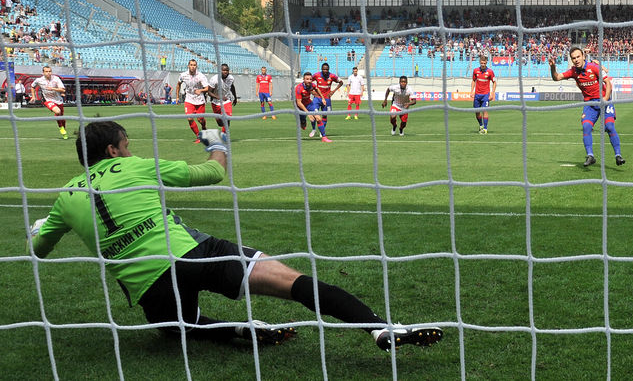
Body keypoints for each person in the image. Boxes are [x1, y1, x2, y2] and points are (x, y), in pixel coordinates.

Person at [27, 121, 442, 350]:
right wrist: (217, 142)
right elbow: (213, 172)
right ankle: (380, 327)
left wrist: (37, 233)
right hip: (194, 253)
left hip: (148, 284)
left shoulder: (65, 196)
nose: (131, 150)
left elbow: (41, 250)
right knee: (293, 282)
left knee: (174, 326)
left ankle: (239, 331)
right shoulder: (135, 167)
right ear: (115, 152)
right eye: (127, 144)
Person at [549, 48, 625, 167]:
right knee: (586, 126)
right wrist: (553, 67)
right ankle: (590, 156)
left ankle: (618, 156)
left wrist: (605, 99)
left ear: (583, 56)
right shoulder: (573, 71)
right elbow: (557, 77)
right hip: (590, 104)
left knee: (609, 127)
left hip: (604, 101)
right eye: (573, 58)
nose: (576, 60)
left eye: (578, 57)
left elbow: (608, 83)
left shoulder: (594, 67)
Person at [176, 59, 209, 143]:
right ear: (188, 66)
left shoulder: (201, 76)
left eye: (194, 65)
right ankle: (199, 136)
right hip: (189, 99)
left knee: (200, 120)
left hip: (199, 100)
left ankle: (204, 127)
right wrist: (177, 97)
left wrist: (201, 90)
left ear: (196, 66)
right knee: (189, 118)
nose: (192, 66)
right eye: (191, 65)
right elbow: (178, 84)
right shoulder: (183, 75)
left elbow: (207, 88)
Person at [31, 65, 68, 139]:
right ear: (43, 73)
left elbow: (63, 90)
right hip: (48, 100)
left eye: (50, 71)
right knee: (57, 111)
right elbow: (32, 86)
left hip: (58, 100)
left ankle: (63, 128)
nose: (48, 73)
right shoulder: (39, 80)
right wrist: (33, 96)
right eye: (46, 71)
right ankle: (60, 127)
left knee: (62, 117)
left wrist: (53, 88)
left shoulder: (56, 79)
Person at [295, 72, 332, 143]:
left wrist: (323, 98)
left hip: (309, 104)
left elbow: (317, 89)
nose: (309, 81)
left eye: (310, 79)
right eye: (307, 79)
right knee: (303, 125)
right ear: (303, 79)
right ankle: (303, 121)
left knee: (318, 118)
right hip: (300, 106)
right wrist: (308, 114)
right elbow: (299, 103)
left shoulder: (312, 85)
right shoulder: (299, 88)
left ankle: (324, 137)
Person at [310, 63, 343, 137]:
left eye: (327, 69)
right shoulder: (316, 75)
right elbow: (309, 82)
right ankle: (313, 129)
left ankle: (322, 131)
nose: (325, 71)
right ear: (321, 69)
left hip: (327, 99)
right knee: (314, 113)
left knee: (324, 115)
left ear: (329, 70)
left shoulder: (332, 76)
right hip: (317, 98)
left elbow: (341, 82)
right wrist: (312, 91)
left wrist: (333, 91)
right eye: (324, 69)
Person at [207, 63, 238, 134]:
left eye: (227, 70)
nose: (225, 72)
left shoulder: (231, 78)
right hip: (215, 102)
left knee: (227, 118)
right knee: (220, 123)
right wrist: (219, 97)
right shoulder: (214, 79)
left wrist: (235, 97)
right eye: (223, 70)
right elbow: (209, 92)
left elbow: (232, 87)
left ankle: (224, 135)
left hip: (226, 101)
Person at [470, 55, 496, 134]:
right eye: (482, 63)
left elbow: (494, 82)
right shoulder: (475, 71)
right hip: (477, 94)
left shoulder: (490, 72)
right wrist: (472, 91)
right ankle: (481, 125)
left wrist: (492, 93)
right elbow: (473, 81)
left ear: (486, 63)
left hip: (485, 95)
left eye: (484, 63)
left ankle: (485, 128)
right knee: (477, 111)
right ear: (479, 62)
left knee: (485, 111)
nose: (483, 64)